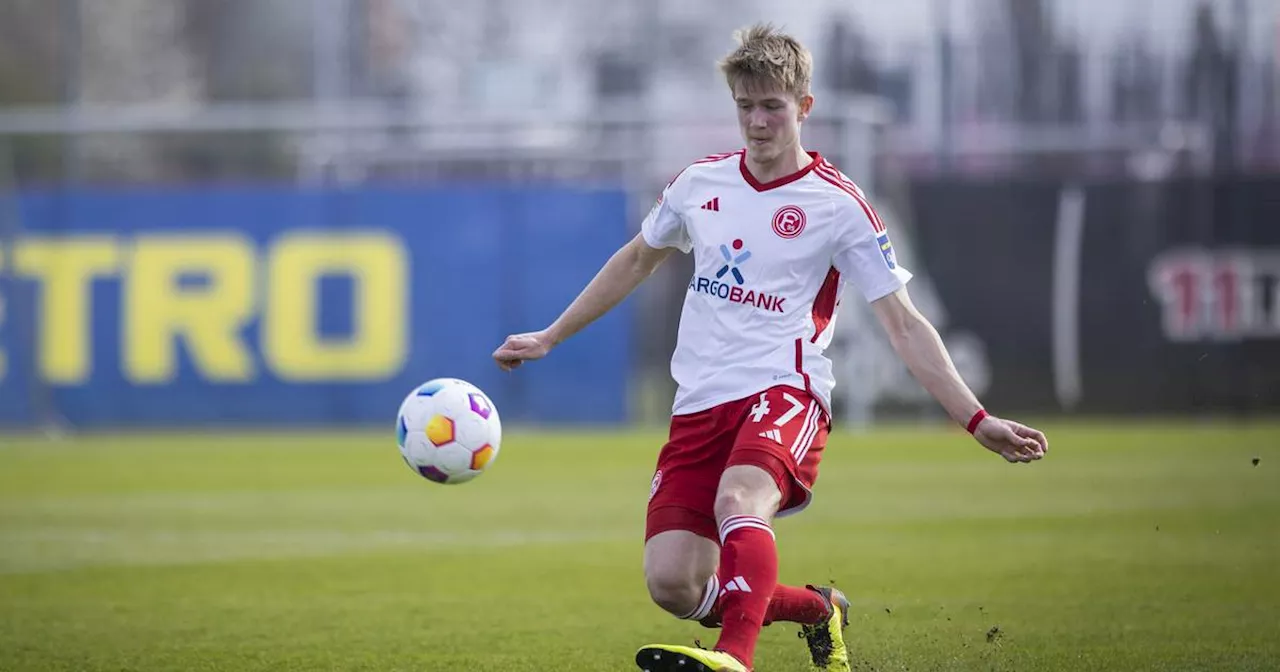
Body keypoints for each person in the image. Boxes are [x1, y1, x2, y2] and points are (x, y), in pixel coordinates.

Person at [492, 22, 1049, 672]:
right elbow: (637, 259)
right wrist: (551, 334)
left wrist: (975, 419)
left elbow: (903, 322)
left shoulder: (839, 205)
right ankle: (820, 611)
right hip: (700, 402)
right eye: (745, 107)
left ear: (803, 107)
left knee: (740, 501)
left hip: (785, 391)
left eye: (772, 106)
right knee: (673, 583)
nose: (757, 122)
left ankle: (735, 659)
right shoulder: (699, 184)